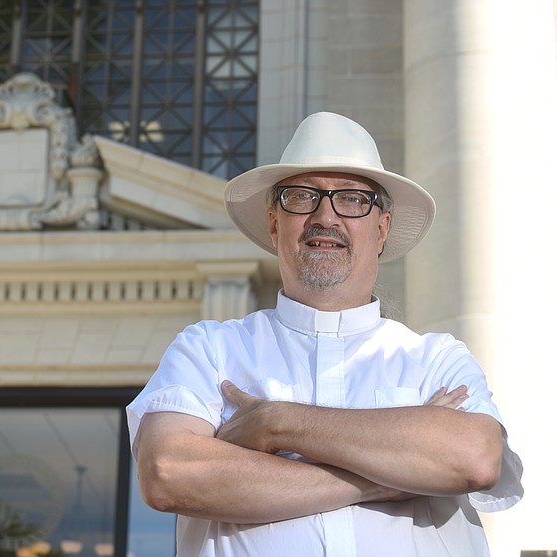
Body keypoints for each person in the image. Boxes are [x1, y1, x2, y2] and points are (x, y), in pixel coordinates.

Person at [126, 112, 523, 556]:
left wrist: (275, 423)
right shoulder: (209, 349)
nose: (325, 216)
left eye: (352, 199)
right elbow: (167, 473)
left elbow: (475, 459)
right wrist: (388, 476)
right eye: (302, 196)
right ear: (275, 223)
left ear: (381, 229)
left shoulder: (436, 359)